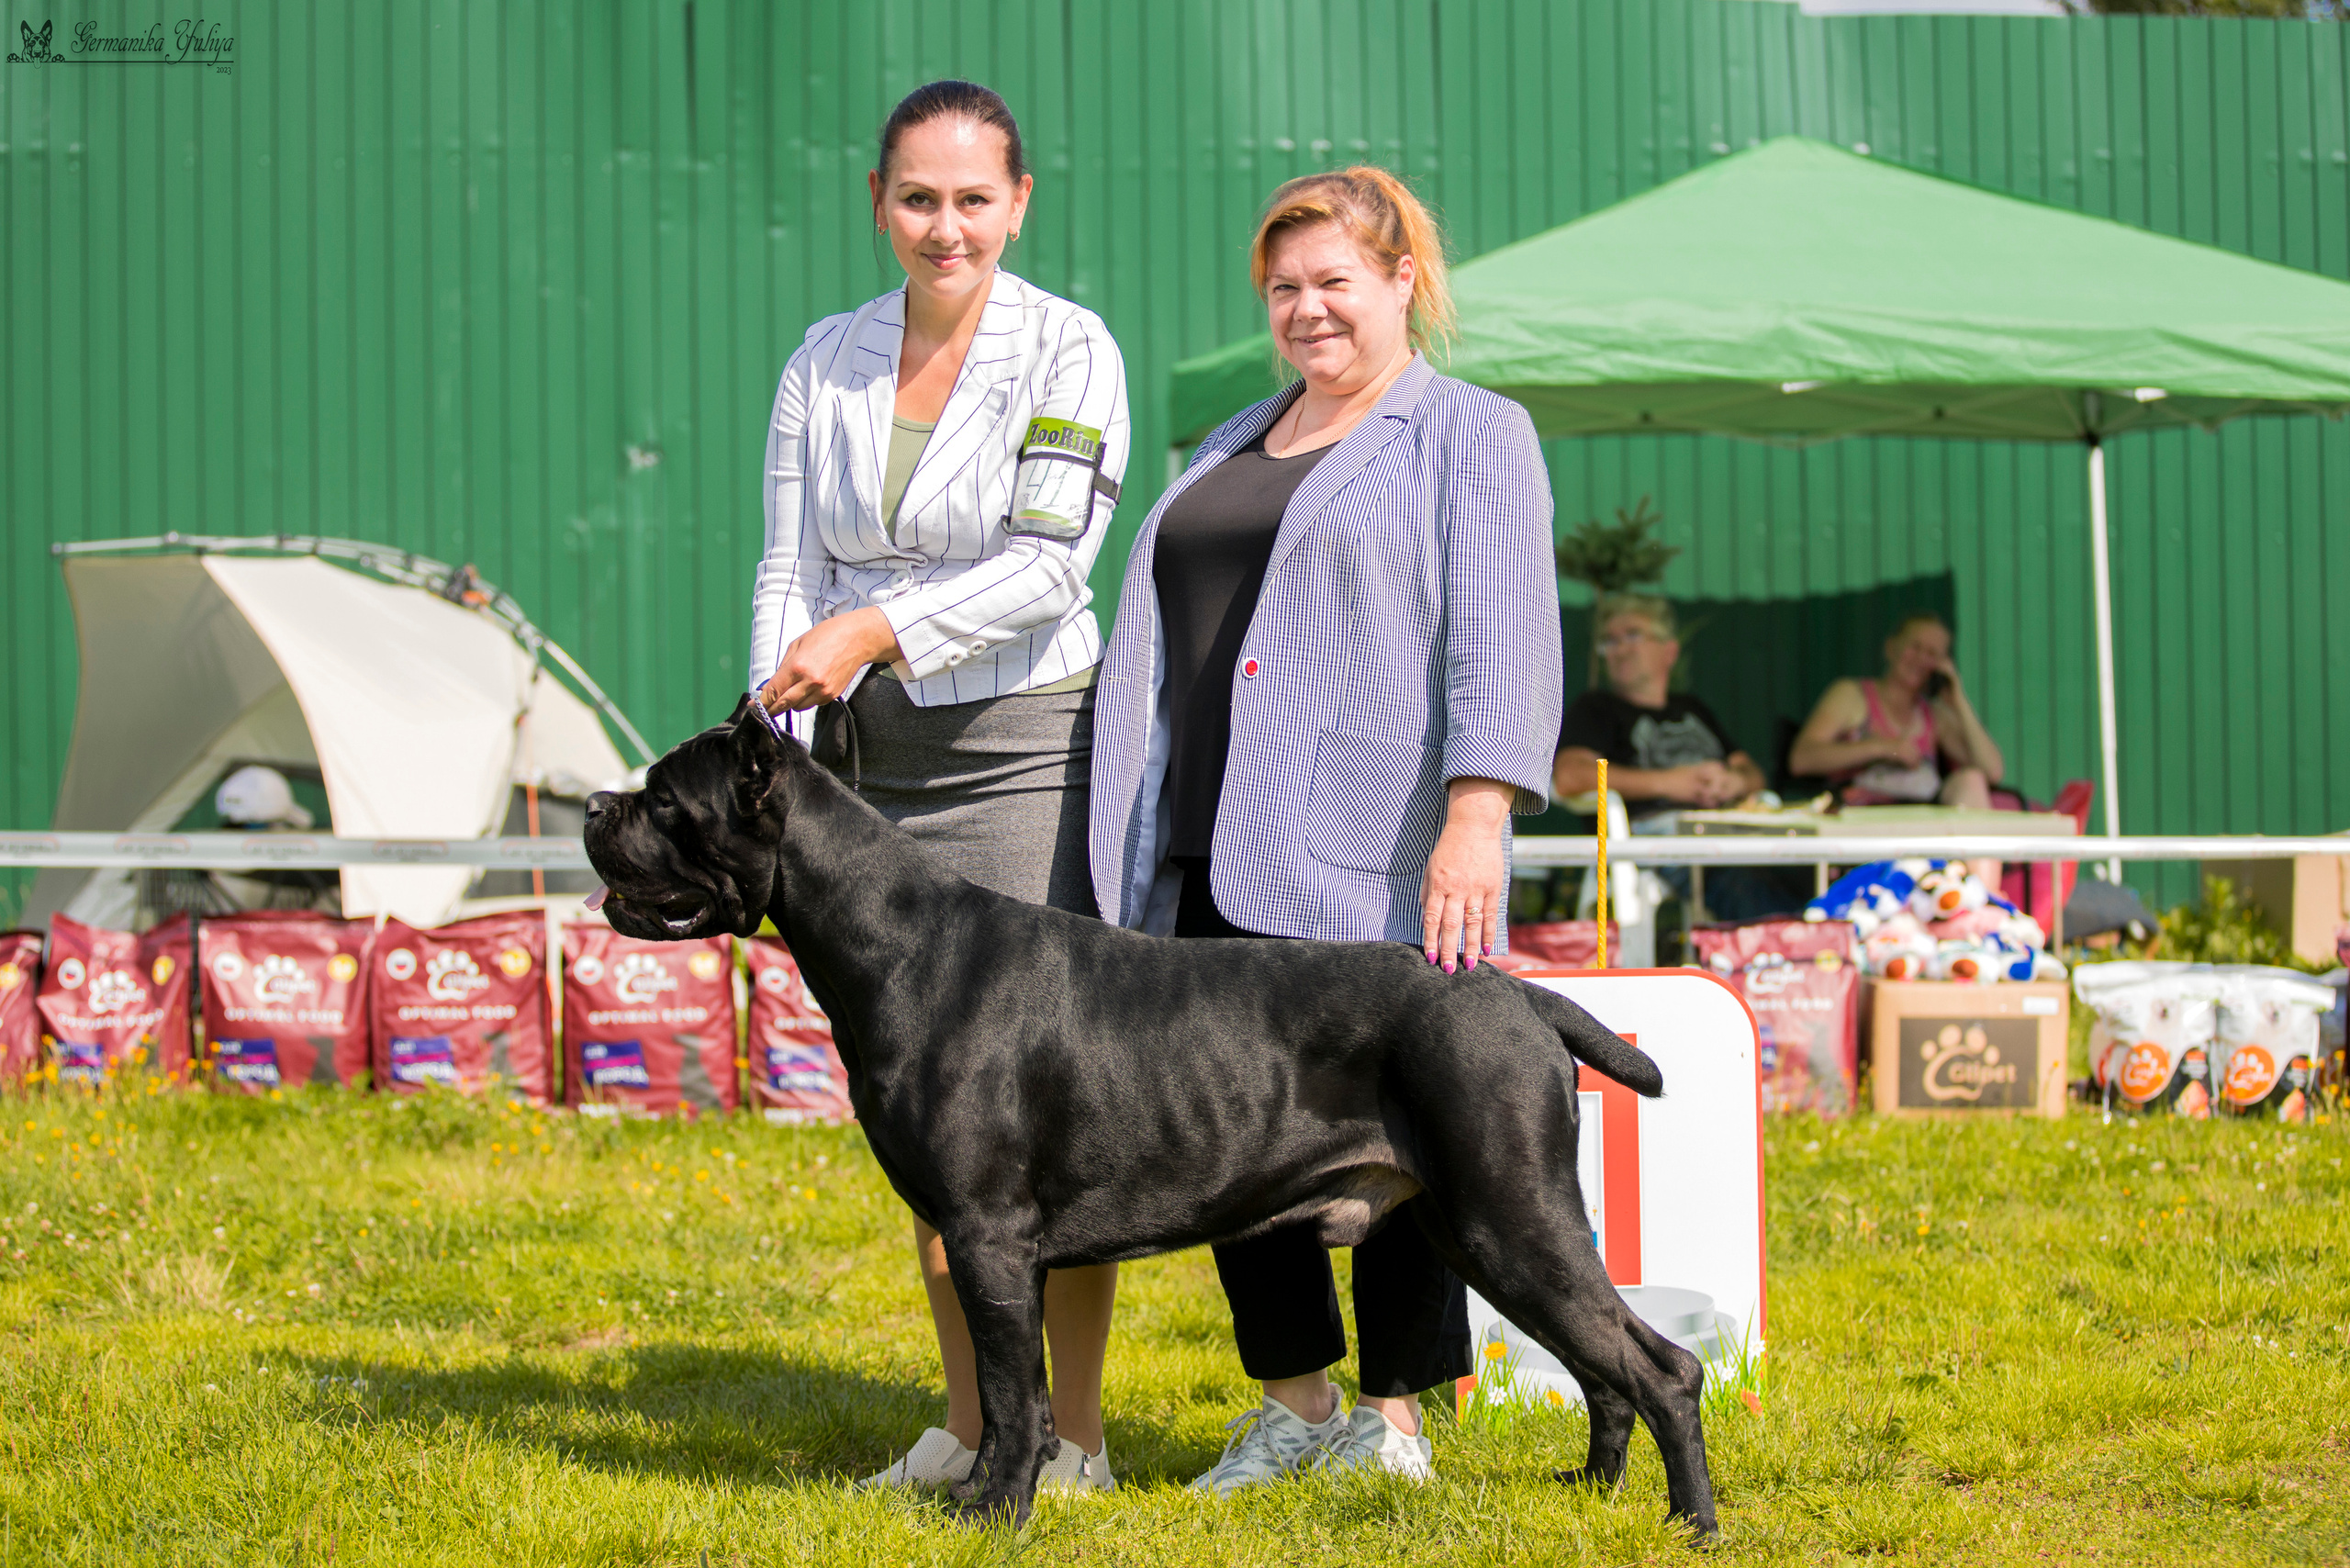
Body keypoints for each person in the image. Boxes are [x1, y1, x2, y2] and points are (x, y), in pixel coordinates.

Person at [1090, 167, 1561, 1493]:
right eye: (1283, 287)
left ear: (1403, 279)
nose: (1307, 309)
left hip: (1374, 839)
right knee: (1226, 1127)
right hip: (1195, 841)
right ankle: (1293, 1405)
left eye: (1334, 282)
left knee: (1402, 1127)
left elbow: (1504, 636)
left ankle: (1392, 1424)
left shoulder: (1469, 432)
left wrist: (1478, 810)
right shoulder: (1232, 437)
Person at [748, 79, 1127, 1495]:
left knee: (1040, 1108)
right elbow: (787, 568)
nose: (945, 226)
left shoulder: (1072, 347)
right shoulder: (823, 357)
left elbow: (1049, 566)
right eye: (918, 197)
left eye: (974, 198)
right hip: (864, 771)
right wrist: (774, 758)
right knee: (928, 1107)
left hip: (1023, 745)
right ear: (879, 203)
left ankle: (1071, 1439)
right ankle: (969, 1429)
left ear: (1018, 204)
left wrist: (873, 630)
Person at [1554, 594, 1798, 920]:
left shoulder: (1692, 708)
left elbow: (1752, 774)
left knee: (1803, 863)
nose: (1620, 649)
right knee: (1737, 877)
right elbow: (1569, 776)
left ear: (1669, 651)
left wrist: (1732, 782)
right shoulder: (1596, 708)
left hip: (1727, 826)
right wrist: (1670, 783)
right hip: (1654, 836)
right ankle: (1788, 944)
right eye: (1609, 641)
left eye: (1632, 635)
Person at [1787, 610, 2007, 881]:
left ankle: (1984, 895)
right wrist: (1883, 748)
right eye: (1915, 647)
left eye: (1933, 654)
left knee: (1971, 780)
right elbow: (1802, 758)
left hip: (1924, 825)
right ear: (1891, 648)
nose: (1921, 659)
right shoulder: (1852, 695)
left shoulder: (1934, 714)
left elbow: (1992, 770)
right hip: (1863, 823)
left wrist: (1959, 700)